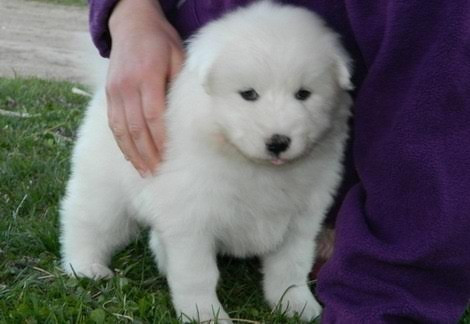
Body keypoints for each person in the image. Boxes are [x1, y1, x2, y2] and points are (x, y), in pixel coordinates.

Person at [88, 0, 470, 322]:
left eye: (302, 94)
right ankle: (85, 249)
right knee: (138, 205)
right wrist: (131, 13)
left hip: (367, 169)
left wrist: (384, 293)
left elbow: (436, 113)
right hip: (189, 61)